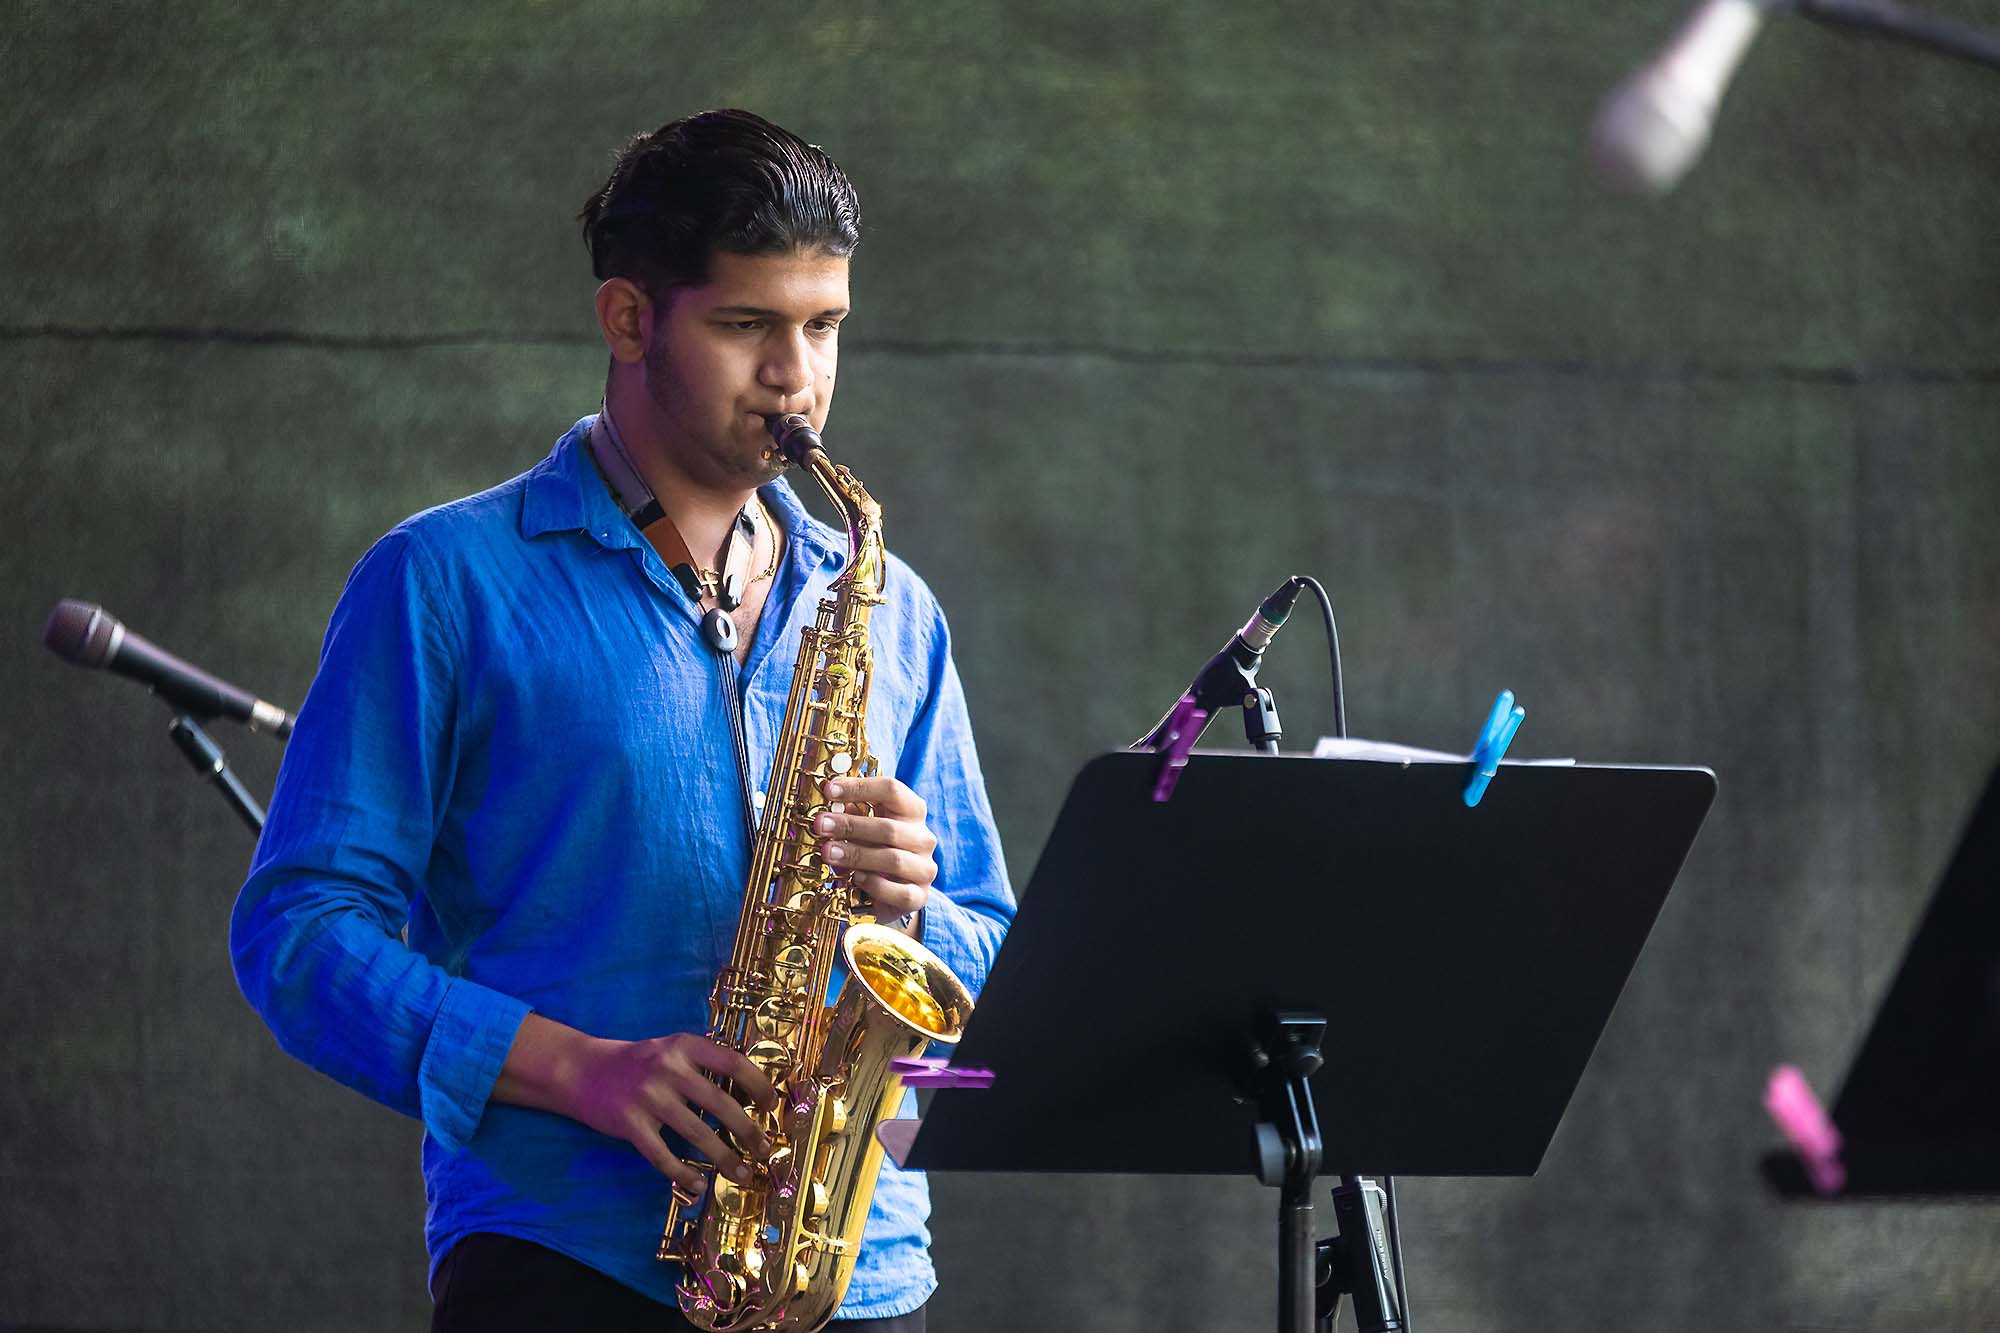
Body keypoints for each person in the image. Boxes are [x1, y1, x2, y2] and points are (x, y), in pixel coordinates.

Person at [231, 109, 1016, 1332]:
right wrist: (579, 1070)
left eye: (823, 326)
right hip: (563, 1263)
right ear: (629, 319)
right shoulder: (443, 580)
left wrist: (909, 913)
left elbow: (989, 945)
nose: (796, 376)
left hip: (853, 1270)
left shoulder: (892, 607)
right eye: (746, 325)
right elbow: (299, 933)